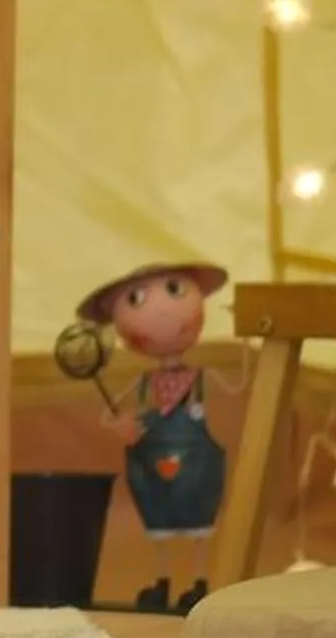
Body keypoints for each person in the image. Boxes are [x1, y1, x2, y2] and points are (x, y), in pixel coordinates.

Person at [76, 262, 240, 614]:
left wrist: (246, 340)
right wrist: (123, 426)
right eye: (135, 299)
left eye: (174, 291)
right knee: (160, 535)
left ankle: (199, 582)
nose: (164, 312)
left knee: (200, 533)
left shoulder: (202, 377)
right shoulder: (144, 384)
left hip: (197, 475)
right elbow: (112, 415)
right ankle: (162, 582)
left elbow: (238, 386)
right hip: (153, 476)